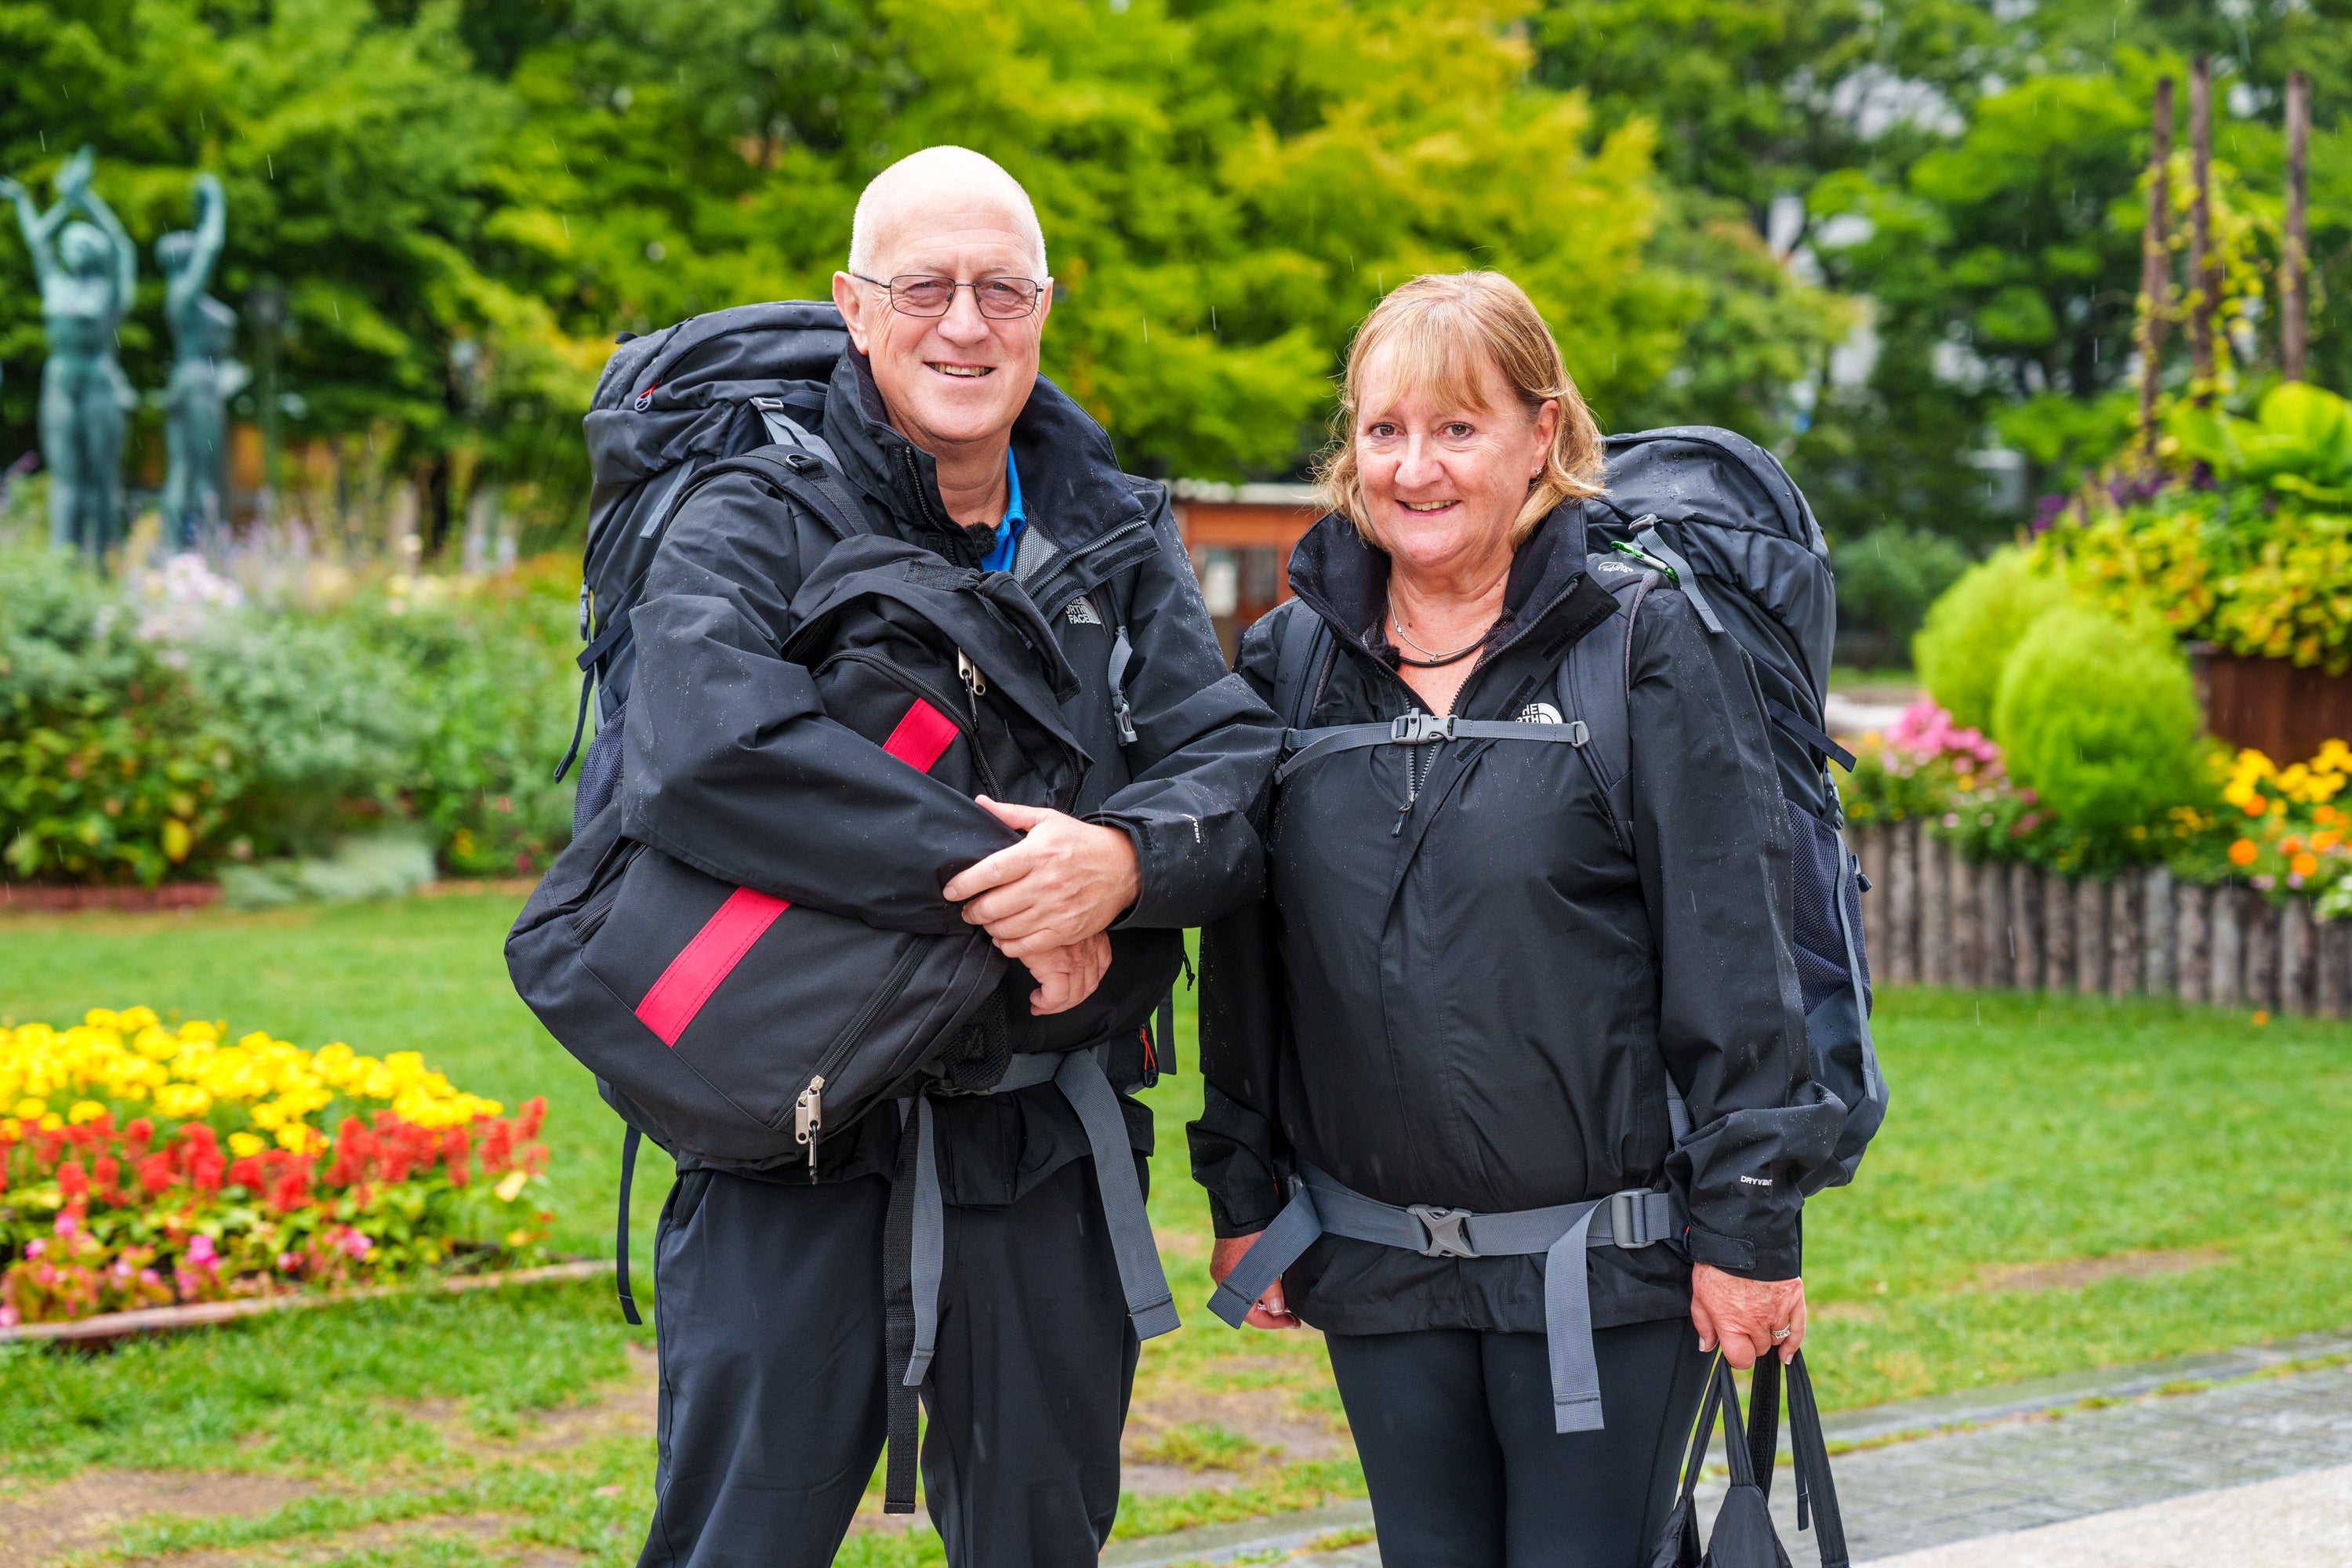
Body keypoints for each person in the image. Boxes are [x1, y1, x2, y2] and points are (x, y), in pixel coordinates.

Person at [622, 146, 1279, 1568]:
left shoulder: (1115, 531)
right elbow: (707, 750)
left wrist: (1117, 860)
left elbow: (1232, 765)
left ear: (1047, 308)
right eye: (925, 287)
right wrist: (1012, 899)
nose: (965, 323)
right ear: (856, 307)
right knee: (737, 1544)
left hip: (1042, 1147)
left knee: (1045, 1545)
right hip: (785, 1140)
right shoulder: (748, 509)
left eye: (1002, 289)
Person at [1189, 272, 1846, 1567]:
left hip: (1607, 1273)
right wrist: (1244, 1189)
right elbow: (1252, 963)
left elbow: (1734, 959)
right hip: (1376, 1267)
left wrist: (1752, 1228)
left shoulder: (1644, 647)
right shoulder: (1289, 665)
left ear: (1541, 436)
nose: (1414, 467)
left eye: (1456, 428)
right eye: (1384, 432)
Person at [2, 147, 137, 558]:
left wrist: (83, 199)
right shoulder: (55, 286)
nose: (69, 249)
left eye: (80, 243)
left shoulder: (109, 292)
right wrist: (41, 201)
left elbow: (121, 244)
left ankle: (103, 561)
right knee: (67, 478)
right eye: (68, 244)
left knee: (101, 476)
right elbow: (37, 239)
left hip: (98, 383)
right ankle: (64, 562)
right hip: (60, 382)